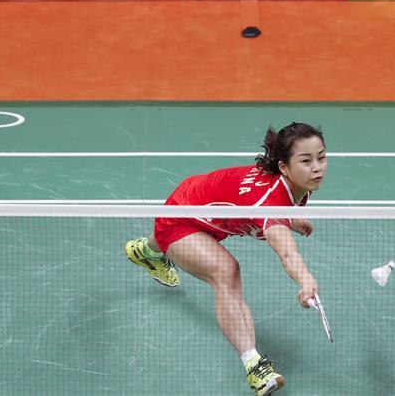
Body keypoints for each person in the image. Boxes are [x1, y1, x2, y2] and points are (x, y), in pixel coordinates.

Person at [125, 122, 327, 395]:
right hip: (183, 219)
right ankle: (254, 366)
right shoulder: (271, 201)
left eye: (321, 157)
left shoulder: (299, 185)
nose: (317, 167)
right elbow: (287, 251)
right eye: (306, 160)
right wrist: (305, 279)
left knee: (181, 237)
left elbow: (257, 204)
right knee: (225, 271)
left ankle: (145, 252)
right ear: (284, 167)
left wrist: (288, 219)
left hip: (202, 203)